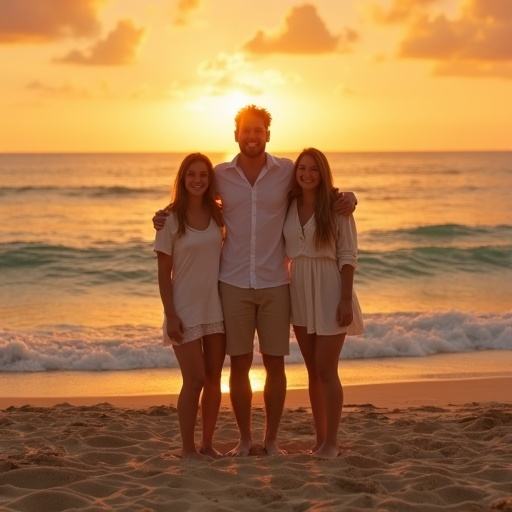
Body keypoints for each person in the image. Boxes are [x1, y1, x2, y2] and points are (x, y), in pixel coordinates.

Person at [154, 105, 358, 457]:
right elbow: (194, 189)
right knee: (240, 363)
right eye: (246, 130)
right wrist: (165, 213)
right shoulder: (220, 175)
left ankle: (272, 440)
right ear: (236, 135)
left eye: (258, 130)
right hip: (231, 283)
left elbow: (318, 181)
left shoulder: (287, 171)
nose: (252, 136)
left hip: (276, 282)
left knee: (276, 363)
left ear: (268, 134)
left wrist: (349, 198)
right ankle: (246, 439)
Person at [283, 147, 364, 459]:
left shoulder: (337, 206)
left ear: (323, 172)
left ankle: (332, 443)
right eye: (302, 168)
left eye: (313, 169)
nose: (306, 173)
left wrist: (345, 299)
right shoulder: (287, 204)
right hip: (300, 290)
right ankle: (319, 441)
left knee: (328, 370)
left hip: (331, 289)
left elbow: (348, 256)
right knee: (313, 370)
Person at [154, 152, 226, 460]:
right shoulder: (169, 219)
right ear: (182, 179)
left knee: (213, 380)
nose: (197, 180)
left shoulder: (219, 214)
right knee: (193, 379)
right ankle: (187, 448)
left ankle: (207, 445)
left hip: (216, 307)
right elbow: (163, 272)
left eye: (204, 175)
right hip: (183, 309)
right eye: (192, 175)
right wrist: (171, 315)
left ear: (210, 182)